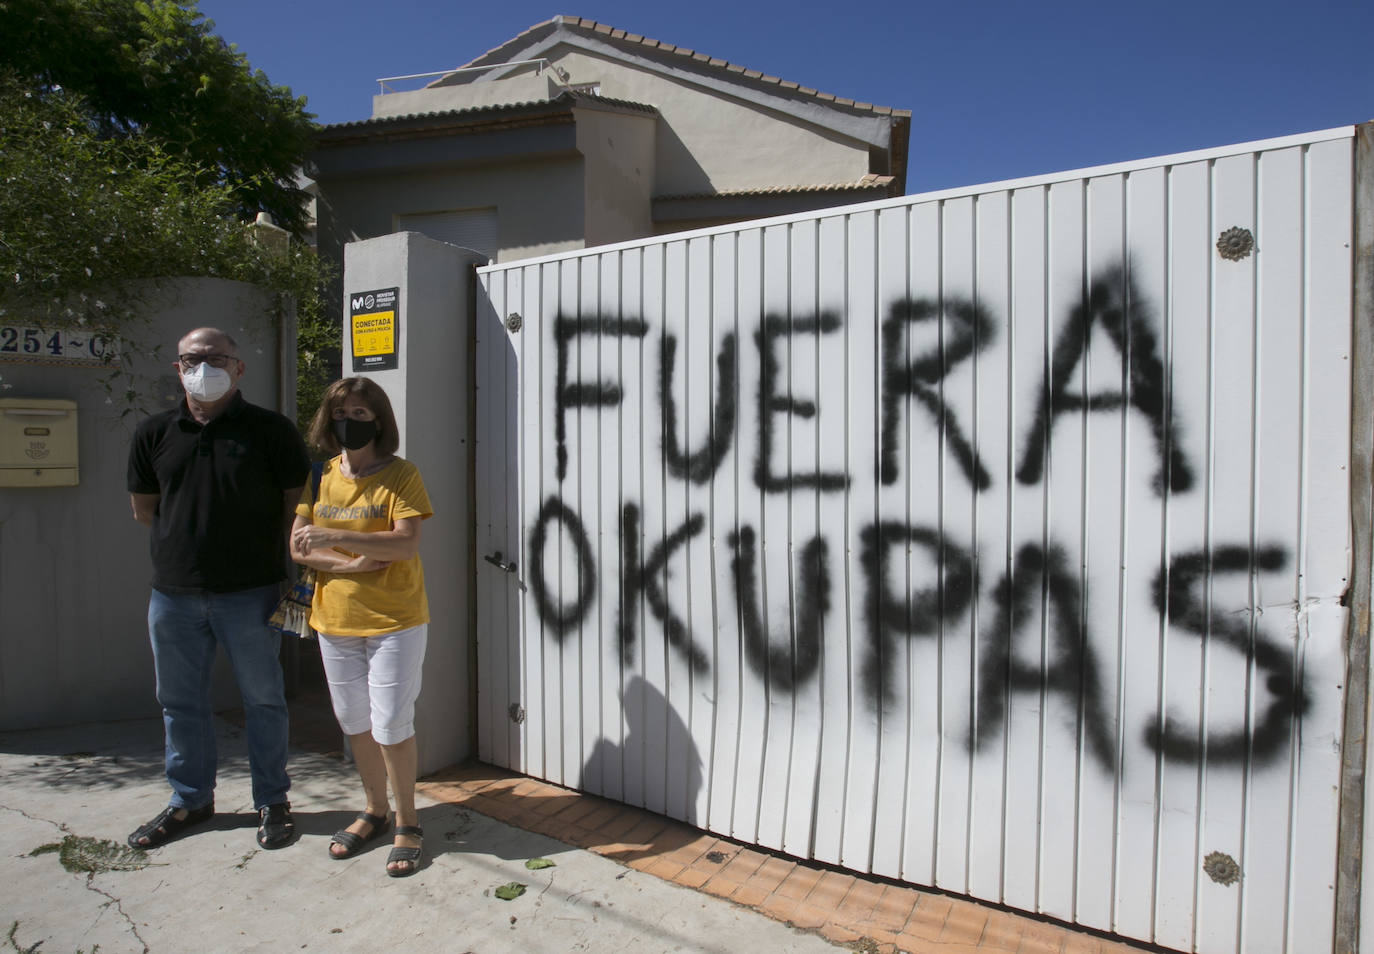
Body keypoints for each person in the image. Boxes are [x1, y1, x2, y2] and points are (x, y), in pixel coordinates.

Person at [126, 327, 310, 851]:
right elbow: (145, 510)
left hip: (250, 592)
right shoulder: (153, 433)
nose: (203, 367)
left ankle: (272, 801)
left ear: (238, 368)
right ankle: (190, 800)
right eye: (192, 358)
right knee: (180, 703)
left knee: (264, 700)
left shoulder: (272, 431)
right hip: (173, 595)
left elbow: (293, 508)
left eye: (215, 358)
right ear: (177, 367)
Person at [289, 377, 433, 877]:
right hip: (335, 619)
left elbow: (403, 546)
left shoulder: (401, 475)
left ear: (379, 420)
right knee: (354, 722)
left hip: (395, 620)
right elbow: (297, 546)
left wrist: (331, 536)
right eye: (341, 413)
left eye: (361, 414)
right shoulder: (320, 475)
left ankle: (408, 823)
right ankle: (375, 810)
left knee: (392, 723)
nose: (349, 422)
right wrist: (349, 564)